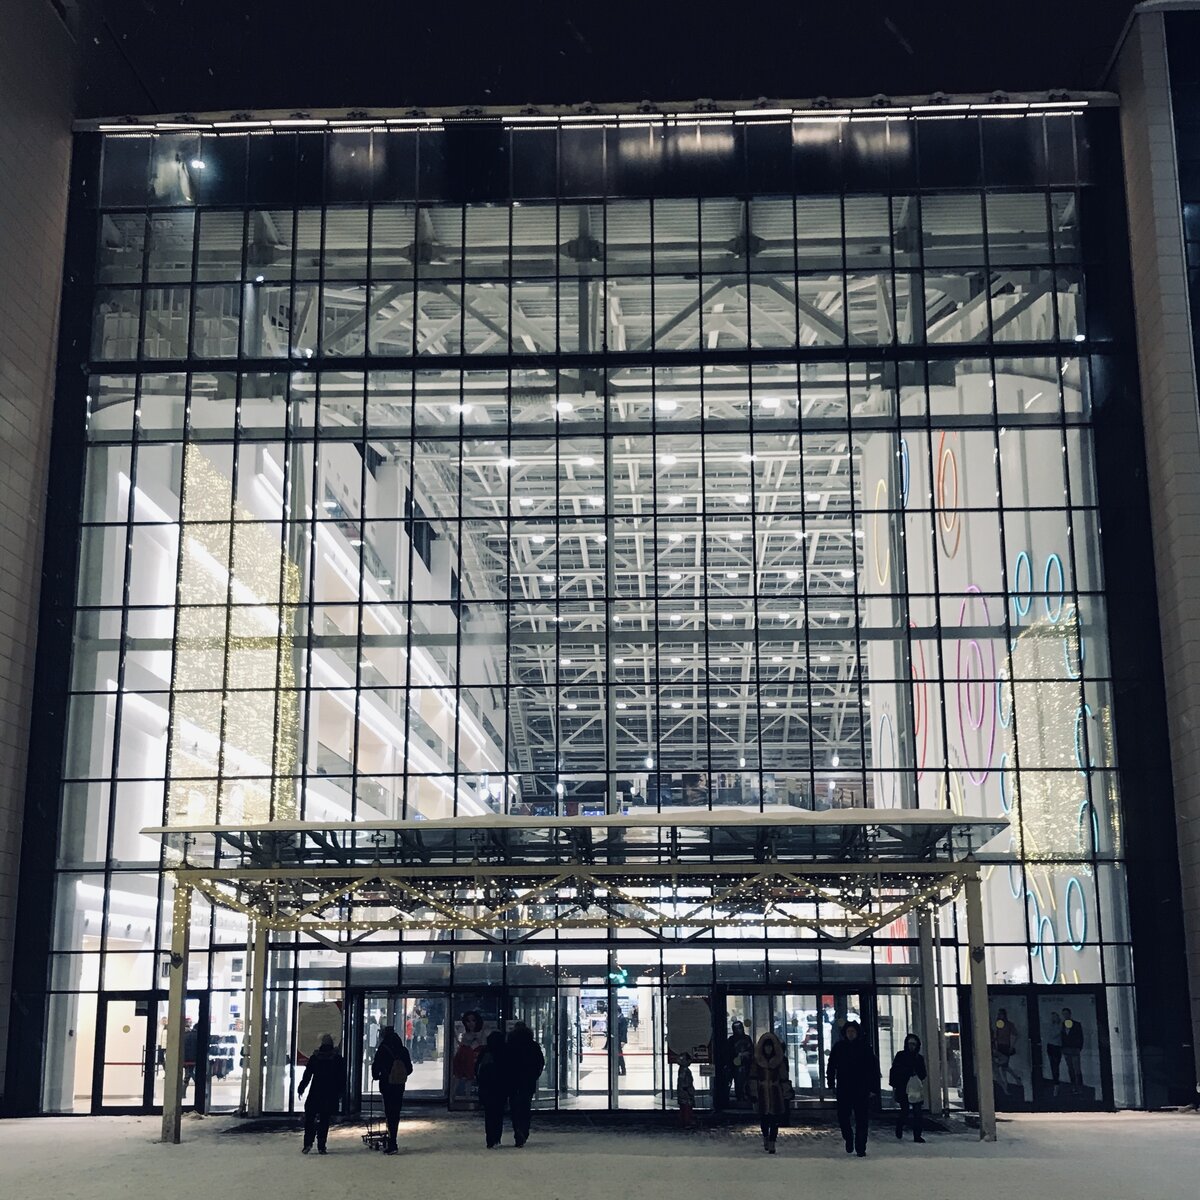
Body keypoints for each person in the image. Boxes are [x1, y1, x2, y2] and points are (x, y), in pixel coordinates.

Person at [826, 1019, 880, 1157]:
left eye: (853, 1031)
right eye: (848, 1031)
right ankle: (848, 1137)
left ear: (857, 1033)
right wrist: (831, 1083)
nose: (850, 1034)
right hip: (844, 1087)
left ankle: (861, 1146)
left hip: (861, 1088)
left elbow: (873, 1069)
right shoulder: (839, 1047)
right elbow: (831, 1066)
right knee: (843, 1117)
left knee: (862, 1118)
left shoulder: (865, 1047)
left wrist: (873, 1088)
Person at [297, 1033, 345, 1155]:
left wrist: (302, 1087)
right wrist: (340, 1092)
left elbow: (307, 1075)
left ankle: (307, 1143)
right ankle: (321, 1145)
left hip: (315, 1092)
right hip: (329, 1093)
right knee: (324, 1119)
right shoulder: (337, 1059)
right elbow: (341, 1078)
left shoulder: (315, 1057)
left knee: (310, 1118)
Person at [371, 1023, 413, 1154]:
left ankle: (392, 1142)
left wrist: (378, 1075)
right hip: (399, 1085)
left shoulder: (382, 1049)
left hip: (386, 1084)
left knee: (389, 1112)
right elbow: (409, 1069)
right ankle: (393, 1138)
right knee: (396, 1113)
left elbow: (376, 1066)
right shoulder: (403, 1050)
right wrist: (399, 1074)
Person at [747, 1030, 792, 1154]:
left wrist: (786, 1093)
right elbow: (753, 1078)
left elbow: (784, 1078)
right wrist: (753, 1093)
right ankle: (766, 1137)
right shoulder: (757, 1062)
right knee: (764, 1120)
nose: (768, 1049)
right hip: (762, 1093)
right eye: (766, 1047)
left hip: (775, 1093)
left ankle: (772, 1141)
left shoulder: (779, 1061)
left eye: (770, 1047)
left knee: (774, 1120)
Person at [506, 1023, 546, 1147]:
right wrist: (535, 1075)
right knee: (525, 1106)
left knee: (514, 1107)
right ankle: (524, 1130)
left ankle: (517, 1129)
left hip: (512, 1080)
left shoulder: (509, 1046)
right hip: (528, 1080)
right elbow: (540, 1062)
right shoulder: (533, 1046)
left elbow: (504, 1063)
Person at [888, 1033, 928, 1143]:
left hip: (914, 1088)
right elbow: (895, 1070)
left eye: (914, 1044)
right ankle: (900, 1125)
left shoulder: (919, 1058)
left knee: (917, 1112)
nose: (911, 1046)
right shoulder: (901, 1056)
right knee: (905, 1111)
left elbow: (923, 1073)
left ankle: (917, 1135)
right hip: (903, 1087)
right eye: (910, 1044)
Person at [475, 1030, 508, 1149]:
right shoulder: (505, 1052)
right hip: (501, 1087)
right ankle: (497, 1136)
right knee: (499, 1113)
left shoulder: (485, 1052)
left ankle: (490, 1138)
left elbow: (477, 1069)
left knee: (489, 1114)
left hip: (487, 1088)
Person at [991, 1007, 1020, 1091]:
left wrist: (1012, 1046)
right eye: (999, 1014)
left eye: (1001, 1014)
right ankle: (1007, 1083)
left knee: (1004, 1065)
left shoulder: (1009, 1024)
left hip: (1006, 1045)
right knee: (1004, 1067)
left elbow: (1015, 1034)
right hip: (1000, 1045)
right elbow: (998, 1035)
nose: (999, 1015)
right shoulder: (999, 1024)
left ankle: (1014, 1078)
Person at [726, 1020, 754, 1102]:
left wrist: (747, 1055)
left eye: (740, 1028)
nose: (739, 1030)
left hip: (746, 1064)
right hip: (735, 1065)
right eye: (736, 1028)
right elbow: (729, 1052)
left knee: (746, 1082)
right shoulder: (731, 1040)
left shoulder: (747, 1038)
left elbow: (751, 1050)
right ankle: (739, 1097)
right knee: (738, 1082)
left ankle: (746, 1096)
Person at [1061, 1008, 1085, 1095]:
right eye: (1064, 1014)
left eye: (1067, 1013)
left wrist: (1078, 1047)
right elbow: (1062, 1037)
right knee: (1070, 1069)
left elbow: (1080, 1037)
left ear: (1070, 1014)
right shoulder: (1062, 1025)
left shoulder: (1076, 1024)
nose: (1065, 1015)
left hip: (1074, 1049)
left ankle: (1080, 1087)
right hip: (1066, 1049)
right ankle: (1073, 1086)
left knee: (1077, 1069)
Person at [1045, 1011, 1064, 1095]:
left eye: (1055, 1016)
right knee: (1052, 1066)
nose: (1053, 1018)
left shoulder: (1060, 1025)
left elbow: (1055, 1034)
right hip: (1050, 1046)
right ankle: (1055, 1083)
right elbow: (1048, 1034)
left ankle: (1056, 1084)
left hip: (1057, 1047)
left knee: (1056, 1066)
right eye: (1052, 1017)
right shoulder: (1050, 1025)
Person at [676, 1053, 697, 1129]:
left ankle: (685, 1121)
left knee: (684, 1107)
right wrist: (687, 1089)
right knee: (686, 1107)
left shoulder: (682, 1069)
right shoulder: (684, 1070)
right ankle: (686, 1122)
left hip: (684, 1090)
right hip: (686, 1091)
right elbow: (683, 1081)